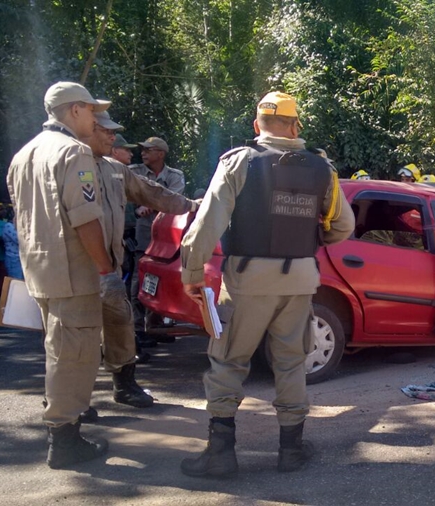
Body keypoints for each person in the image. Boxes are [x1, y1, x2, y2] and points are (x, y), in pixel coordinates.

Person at [178, 91, 354, 477]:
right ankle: (291, 451)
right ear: (295, 126)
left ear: (257, 126)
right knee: (291, 362)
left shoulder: (239, 162)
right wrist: (311, 238)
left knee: (228, 361)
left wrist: (191, 273)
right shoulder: (322, 168)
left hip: (247, 280)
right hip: (301, 280)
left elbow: (207, 224)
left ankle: (220, 454)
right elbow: (343, 226)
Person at [7, 81, 115, 469]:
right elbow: (85, 217)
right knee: (75, 356)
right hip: (73, 272)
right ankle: (64, 441)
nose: (94, 117)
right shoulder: (74, 152)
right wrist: (104, 264)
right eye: (90, 110)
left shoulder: (23, 154)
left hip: (39, 270)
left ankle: (64, 429)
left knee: (58, 351)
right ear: (73, 111)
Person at [79, 110, 200, 416]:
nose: (112, 136)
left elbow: (154, 194)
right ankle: (71, 402)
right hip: (75, 269)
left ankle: (124, 385)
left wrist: (192, 206)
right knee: (75, 337)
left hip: (110, 268)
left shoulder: (115, 170)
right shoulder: (67, 163)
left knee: (120, 324)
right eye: (105, 130)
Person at [129, 136, 185, 343]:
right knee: (139, 281)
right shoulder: (134, 172)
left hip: (166, 239)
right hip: (142, 235)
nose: (143, 153)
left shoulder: (175, 175)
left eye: (148, 150)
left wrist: (149, 205)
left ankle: (155, 324)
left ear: (160, 154)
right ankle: (137, 329)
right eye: (142, 149)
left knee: (160, 281)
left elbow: (173, 199)